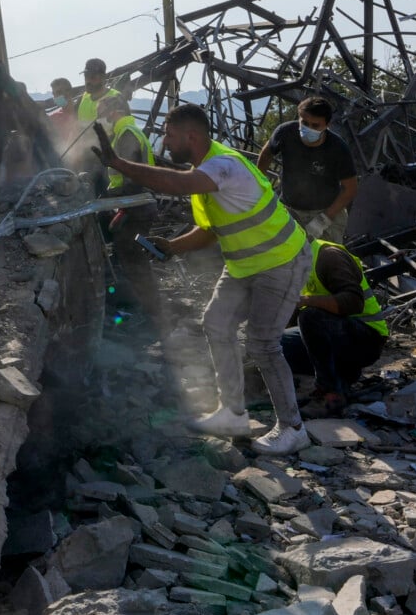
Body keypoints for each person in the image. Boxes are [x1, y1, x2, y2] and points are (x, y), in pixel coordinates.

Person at [94, 103, 312, 455]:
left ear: (190, 136)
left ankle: (292, 428)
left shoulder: (222, 165)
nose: (164, 141)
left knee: (263, 344)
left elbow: (177, 184)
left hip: (281, 262)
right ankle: (233, 414)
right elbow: (209, 231)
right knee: (216, 323)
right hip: (244, 266)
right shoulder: (204, 174)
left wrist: (119, 163)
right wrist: (173, 247)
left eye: (168, 134)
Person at [282, 239, 388, 417]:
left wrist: (306, 301)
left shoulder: (328, 256)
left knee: (310, 316)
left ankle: (331, 394)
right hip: (337, 333)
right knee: (277, 344)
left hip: (367, 339)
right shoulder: (296, 263)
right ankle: (342, 375)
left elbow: (353, 302)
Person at [91, 96, 167, 330]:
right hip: (135, 205)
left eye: (103, 113)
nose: (102, 119)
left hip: (138, 205)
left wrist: (105, 200)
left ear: (115, 112)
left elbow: (132, 178)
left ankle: (153, 314)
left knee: (134, 259)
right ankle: (144, 306)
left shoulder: (126, 135)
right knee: (126, 249)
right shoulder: (129, 131)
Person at [257, 97, 358, 243]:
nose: (308, 128)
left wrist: (325, 219)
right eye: (304, 122)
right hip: (289, 208)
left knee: (325, 258)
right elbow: (266, 153)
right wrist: (261, 186)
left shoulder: (337, 148)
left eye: (315, 125)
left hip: (326, 211)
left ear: (327, 125)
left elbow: (350, 189)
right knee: (284, 256)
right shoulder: (285, 133)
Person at [76, 58, 120, 129]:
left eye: (92, 77)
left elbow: (124, 131)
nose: (88, 81)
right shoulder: (83, 98)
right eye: (86, 76)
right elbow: (75, 128)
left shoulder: (116, 98)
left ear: (103, 77)